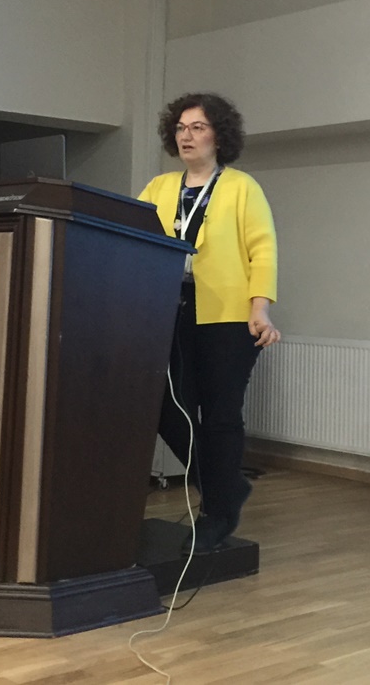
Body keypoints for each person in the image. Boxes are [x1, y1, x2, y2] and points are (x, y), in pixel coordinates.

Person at [139, 92, 280, 554]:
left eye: (198, 127)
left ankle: (217, 513)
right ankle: (223, 486)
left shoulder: (241, 187)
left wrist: (260, 308)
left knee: (220, 416)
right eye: (181, 128)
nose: (187, 135)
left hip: (227, 317)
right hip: (170, 310)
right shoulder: (159, 188)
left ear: (219, 136)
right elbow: (131, 235)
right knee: (168, 409)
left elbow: (263, 250)